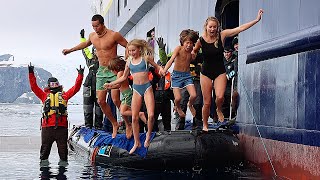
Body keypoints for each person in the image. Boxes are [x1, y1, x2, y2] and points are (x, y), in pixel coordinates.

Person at [192, 9, 264, 131]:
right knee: (207, 102)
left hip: (220, 71)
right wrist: (193, 54)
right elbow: (194, 51)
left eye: (215, 27)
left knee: (220, 97)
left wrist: (256, 20)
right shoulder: (201, 40)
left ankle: (219, 109)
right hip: (206, 73)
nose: (212, 29)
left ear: (217, 27)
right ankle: (205, 125)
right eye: (210, 27)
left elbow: (239, 29)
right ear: (206, 27)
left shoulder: (222, 35)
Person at [62, 14, 128, 138]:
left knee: (115, 100)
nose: (95, 29)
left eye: (97, 26)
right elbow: (85, 44)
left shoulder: (114, 35)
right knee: (101, 101)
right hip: (101, 71)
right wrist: (70, 50)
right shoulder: (92, 36)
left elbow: (127, 45)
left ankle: (128, 123)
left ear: (102, 24)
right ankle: (114, 124)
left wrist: (125, 63)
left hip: (113, 70)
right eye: (93, 26)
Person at [105, 39, 163, 154]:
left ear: (139, 49)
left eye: (133, 50)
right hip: (136, 90)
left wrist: (161, 69)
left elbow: (157, 67)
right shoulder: (129, 62)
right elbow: (123, 77)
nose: (131, 52)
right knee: (135, 117)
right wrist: (110, 84)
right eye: (129, 50)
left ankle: (148, 136)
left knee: (151, 115)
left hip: (147, 88)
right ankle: (137, 142)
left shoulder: (145, 59)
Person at [28, 62, 84, 166]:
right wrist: (31, 72)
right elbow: (34, 87)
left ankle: (62, 173)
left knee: (63, 153)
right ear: (49, 85)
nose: (54, 86)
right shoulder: (44, 95)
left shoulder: (65, 95)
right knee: (44, 152)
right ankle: (44, 172)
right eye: (52, 84)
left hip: (61, 128)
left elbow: (76, 88)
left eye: (56, 84)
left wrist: (80, 75)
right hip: (47, 128)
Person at [160, 29, 199, 119]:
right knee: (177, 98)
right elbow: (171, 60)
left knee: (193, 95)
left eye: (191, 43)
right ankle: (177, 107)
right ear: (182, 42)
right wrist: (165, 69)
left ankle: (190, 105)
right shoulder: (178, 48)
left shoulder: (192, 52)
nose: (189, 45)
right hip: (176, 76)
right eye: (187, 43)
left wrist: (195, 52)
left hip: (187, 76)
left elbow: (194, 57)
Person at [105, 56, 147, 130]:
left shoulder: (120, 73)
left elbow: (118, 85)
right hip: (125, 95)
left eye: (112, 70)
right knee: (122, 110)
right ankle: (144, 123)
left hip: (127, 94)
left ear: (116, 67)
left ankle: (140, 114)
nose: (111, 72)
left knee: (123, 111)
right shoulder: (122, 73)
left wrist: (110, 86)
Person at [79, 28, 103, 129]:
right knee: (88, 107)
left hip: (99, 86)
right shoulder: (90, 59)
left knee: (99, 108)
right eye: (94, 50)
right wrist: (82, 38)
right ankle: (88, 126)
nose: (95, 52)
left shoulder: (104, 61)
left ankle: (98, 126)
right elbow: (85, 49)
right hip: (88, 86)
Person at [154, 37, 174, 131]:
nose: (162, 67)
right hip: (155, 102)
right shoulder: (153, 76)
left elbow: (173, 92)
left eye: (164, 65)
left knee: (167, 122)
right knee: (153, 121)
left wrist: (175, 104)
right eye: (160, 66)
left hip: (166, 102)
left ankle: (168, 135)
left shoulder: (170, 76)